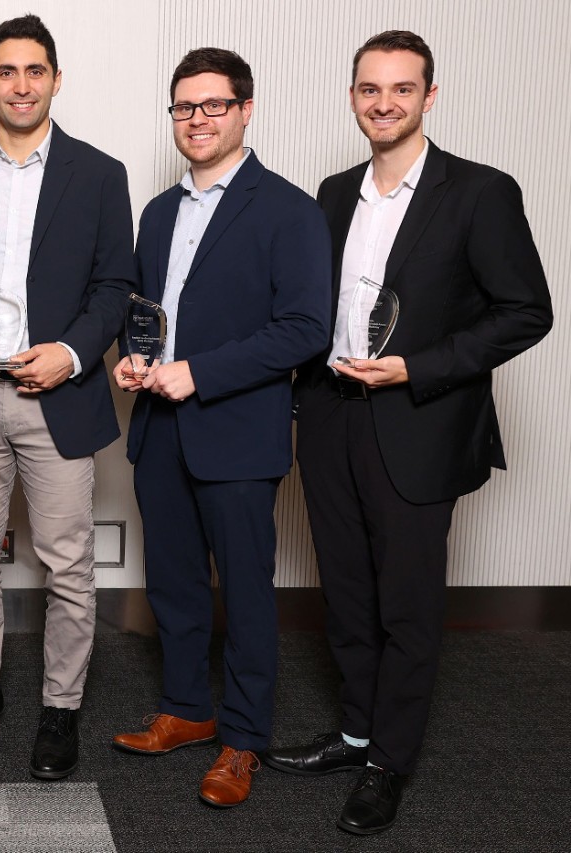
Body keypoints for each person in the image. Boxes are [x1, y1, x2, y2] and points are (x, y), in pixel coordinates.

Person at [263, 31, 553, 835]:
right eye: (368, 88)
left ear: (431, 95)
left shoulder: (480, 191)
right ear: (352, 96)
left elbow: (527, 311)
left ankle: (390, 759)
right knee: (347, 591)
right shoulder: (331, 192)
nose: (382, 103)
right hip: (329, 415)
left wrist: (417, 368)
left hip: (417, 420)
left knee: (409, 602)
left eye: (400, 88)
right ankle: (356, 731)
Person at [110, 48, 330, 808]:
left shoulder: (289, 209)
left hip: (236, 429)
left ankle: (242, 740)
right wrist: (131, 361)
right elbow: (146, 315)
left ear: (245, 109)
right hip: (159, 428)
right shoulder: (160, 211)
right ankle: (187, 709)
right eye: (183, 107)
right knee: (173, 582)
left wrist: (199, 372)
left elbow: (305, 328)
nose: (196, 120)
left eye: (212, 106)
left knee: (244, 591)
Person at [0, 14, 135, 781]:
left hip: (61, 394)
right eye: (6, 71)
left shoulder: (100, 173)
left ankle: (60, 708)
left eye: (35, 71)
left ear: (56, 79)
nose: (21, 84)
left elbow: (116, 287)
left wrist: (75, 353)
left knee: (67, 563)